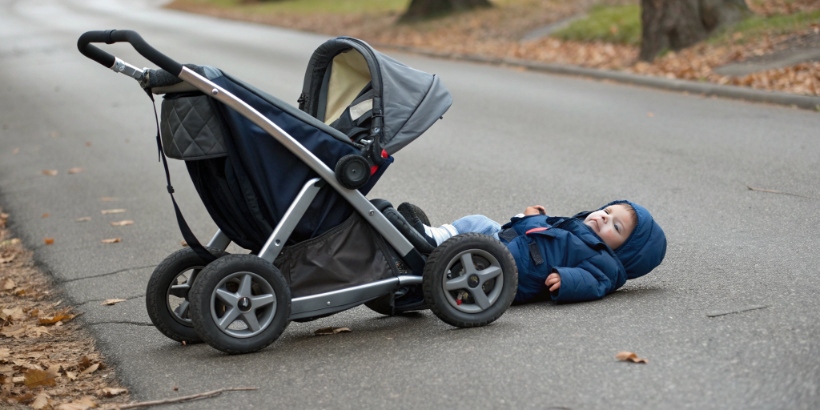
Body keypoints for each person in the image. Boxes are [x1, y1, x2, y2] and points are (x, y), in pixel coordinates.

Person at [398, 200, 666, 304]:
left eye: (615, 226)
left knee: (477, 230)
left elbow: (595, 282)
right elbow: (539, 230)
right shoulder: (572, 226)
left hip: (513, 270)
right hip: (508, 243)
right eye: (607, 211)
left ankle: (429, 240)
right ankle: (433, 235)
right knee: (480, 222)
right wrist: (527, 217)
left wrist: (568, 280)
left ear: (624, 252)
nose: (604, 218)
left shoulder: (603, 262)